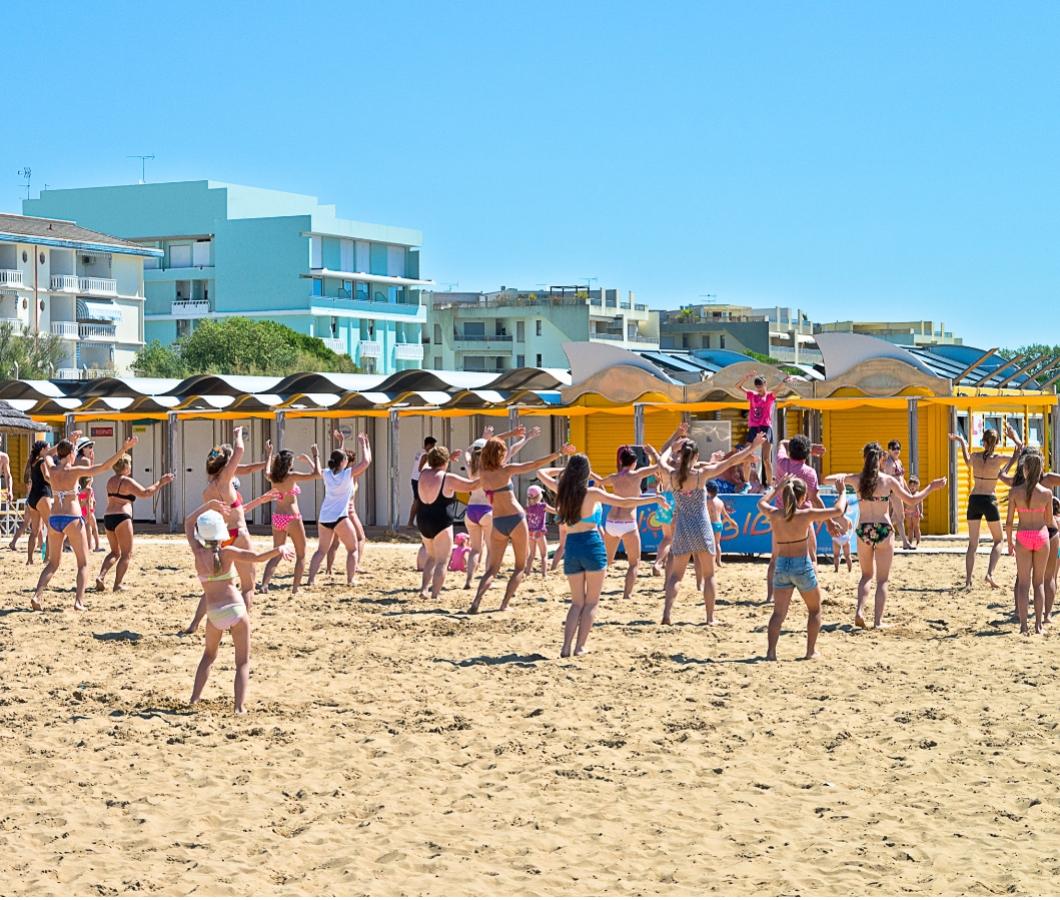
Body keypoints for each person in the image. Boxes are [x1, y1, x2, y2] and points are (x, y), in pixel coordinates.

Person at [538, 454, 666, 656]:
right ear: (586, 473)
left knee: (576, 603)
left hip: (572, 547)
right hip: (591, 544)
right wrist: (655, 498)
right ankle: (580, 647)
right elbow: (625, 502)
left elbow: (541, 472)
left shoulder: (562, 491)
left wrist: (564, 470)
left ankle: (565, 647)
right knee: (591, 603)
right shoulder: (592, 493)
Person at [185, 501, 293, 714]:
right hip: (235, 608)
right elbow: (257, 558)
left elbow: (188, 522)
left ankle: (194, 699)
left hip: (214, 613)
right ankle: (239, 707)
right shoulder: (227, 552)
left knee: (208, 656)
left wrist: (208, 505)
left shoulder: (198, 553)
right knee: (242, 661)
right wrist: (278, 549)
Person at [831, 442, 946, 629]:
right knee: (882, 580)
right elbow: (912, 500)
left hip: (864, 529)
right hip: (884, 529)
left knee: (866, 575)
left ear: (865, 459)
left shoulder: (857, 479)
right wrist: (931, 487)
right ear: (881, 459)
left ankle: (860, 611)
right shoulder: (888, 481)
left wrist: (842, 479)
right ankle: (878, 621)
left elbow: (830, 478)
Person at [658, 431, 767, 625]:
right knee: (709, 576)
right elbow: (730, 462)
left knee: (675, 576)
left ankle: (667, 614)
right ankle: (710, 618)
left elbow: (661, 459)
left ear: (681, 456)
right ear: (697, 457)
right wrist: (752, 447)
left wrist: (671, 448)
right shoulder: (701, 475)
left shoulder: (673, 475)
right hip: (701, 526)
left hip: (682, 527)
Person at [31, 432, 138, 612]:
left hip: (54, 518)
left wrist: (66, 442)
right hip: (72, 518)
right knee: (83, 563)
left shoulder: (52, 469)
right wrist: (123, 450)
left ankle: (37, 595)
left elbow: (48, 454)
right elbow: (104, 466)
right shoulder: (74, 471)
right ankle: (79, 602)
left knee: (53, 563)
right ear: (72, 454)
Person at [467, 437, 575, 614]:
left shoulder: (482, 473)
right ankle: (504, 604)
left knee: (492, 569)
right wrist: (559, 453)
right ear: (500, 454)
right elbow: (533, 464)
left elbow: (476, 457)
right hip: (516, 519)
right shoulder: (506, 470)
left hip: (498, 521)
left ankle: (476, 602)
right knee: (519, 566)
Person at [758, 477, 849, 660]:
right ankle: (810, 651)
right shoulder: (805, 515)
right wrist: (843, 492)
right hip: (802, 564)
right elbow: (838, 510)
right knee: (815, 610)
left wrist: (776, 488)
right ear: (802, 498)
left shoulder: (775, 515)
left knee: (778, 614)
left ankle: (771, 652)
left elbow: (761, 502)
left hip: (782, 565)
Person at [461, 425, 538, 589]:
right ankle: (488, 578)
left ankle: (468, 580)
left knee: (475, 549)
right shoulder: (495, 467)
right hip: (488, 510)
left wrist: (484, 437)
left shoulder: (472, 465)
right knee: (490, 548)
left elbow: (468, 450)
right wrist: (527, 437)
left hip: (471, 509)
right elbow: (512, 449)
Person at [948, 426, 1022, 589]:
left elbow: (967, 461)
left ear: (984, 441)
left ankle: (968, 581)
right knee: (998, 540)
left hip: (974, 499)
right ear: (996, 443)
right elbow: (1020, 453)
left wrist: (960, 440)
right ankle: (990, 573)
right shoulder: (998, 458)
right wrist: (1014, 439)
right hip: (989, 499)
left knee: (972, 544)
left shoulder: (975, 456)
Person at [94, 455, 174, 592]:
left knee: (114, 552)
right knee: (126, 554)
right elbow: (146, 493)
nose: (131, 466)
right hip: (122, 517)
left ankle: (101, 576)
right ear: (125, 466)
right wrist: (160, 482)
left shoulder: (110, 481)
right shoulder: (126, 481)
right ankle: (117, 584)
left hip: (108, 517)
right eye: (130, 464)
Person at [306, 434, 372, 586]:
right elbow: (366, 461)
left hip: (324, 517)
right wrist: (364, 445)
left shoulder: (327, 473)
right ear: (343, 462)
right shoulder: (347, 474)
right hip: (340, 517)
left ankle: (311, 580)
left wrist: (316, 456)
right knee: (353, 548)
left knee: (321, 550)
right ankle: (350, 579)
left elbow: (316, 470)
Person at [414, 445, 479, 599]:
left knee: (431, 557)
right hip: (441, 520)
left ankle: (424, 589)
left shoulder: (423, 474)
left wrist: (446, 458)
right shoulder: (448, 478)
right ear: (446, 461)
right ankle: (435, 594)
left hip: (423, 518)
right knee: (443, 560)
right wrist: (491, 477)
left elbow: (432, 464)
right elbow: (471, 485)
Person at [600, 444, 663, 598]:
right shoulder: (637, 474)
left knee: (606, 561)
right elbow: (661, 466)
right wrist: (653, 453)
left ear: (621, 461)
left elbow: (599, 483)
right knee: (634, 563)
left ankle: (594, 590)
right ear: (634, 462)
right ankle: (627, 595)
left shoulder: (613, 478)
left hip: (611, 521)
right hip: (628, 523)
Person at [259, 441, 320, 595]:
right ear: (288, 464)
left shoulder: (273, 477)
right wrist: (315, 455)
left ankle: (264, 584)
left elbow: (266, 470)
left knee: (276, 553)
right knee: (301, 554)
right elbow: (317, 474)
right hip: (292, 517)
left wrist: (268, 454)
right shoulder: (291, 476)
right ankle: (295, 588)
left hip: (278, 517)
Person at [1005, 450, 1052, 635]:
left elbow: (1009, 522)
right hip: (1041, 536)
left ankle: (1023, 625)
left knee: (1023, 583)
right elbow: (1048, 521)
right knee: (1038, 583)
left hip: (1023, 536)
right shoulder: (1047, 493)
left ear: (1024, 469)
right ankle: (1038, 625)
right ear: (1040, 470)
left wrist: (1009, 542)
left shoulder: (1015, 492)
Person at [735, 372, 793, 487]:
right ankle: (746, 484)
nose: (759, 388)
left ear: (765, 384)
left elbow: (778, 388)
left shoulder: (769, 396)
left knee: (766, 459)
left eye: (761, 385)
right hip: (753, 427)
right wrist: (745, 377)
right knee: (746, 457)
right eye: (757, 386)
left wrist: (786, 380)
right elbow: (737, 387)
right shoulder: (752, 395)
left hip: (765, 427)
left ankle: (770, 484)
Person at [18, 440, 51, 563]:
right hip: (43, 495)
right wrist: (56, 483)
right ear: (42, 449)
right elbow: (47, 477)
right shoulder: (42, 462)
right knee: (51, 528)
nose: (49, 450)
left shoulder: (32, 462)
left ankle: (30, 559)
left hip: (32, 497)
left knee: (34, 531)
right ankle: (46, 558)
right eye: (47, 448)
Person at [880, 440, 913, 549]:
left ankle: (882, 530)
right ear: (889, 450)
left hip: (900, 492)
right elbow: (887, 479)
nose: (896, 450)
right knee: (900, 517)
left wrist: (907, 490)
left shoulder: (898, 461)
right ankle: (904, 542)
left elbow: (902, 479)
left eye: (898, 448)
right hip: (894, 493)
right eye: (894, 448)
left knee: (896, 518)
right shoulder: (889, 463)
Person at [705, 480, 738, 567]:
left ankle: (711, 562)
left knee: (709, 545)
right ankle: (719, 561)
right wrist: (731, 522)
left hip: (711, 524)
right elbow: (725, 515)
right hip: (719, 524)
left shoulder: (708, 502)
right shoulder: (720, 502)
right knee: (717, 544)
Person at [407, 436, 437, 528]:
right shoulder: (425, 455)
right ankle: (410, 522)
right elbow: (421, 468)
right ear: (428, 445)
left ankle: (415, 522)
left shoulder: (420, 452)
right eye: (432, 446)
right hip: (418, 479)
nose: (433, 448)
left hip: (415, 478)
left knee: (420, 501)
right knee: (418, 501)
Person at [524, 484, 551, 578]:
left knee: (531, 554)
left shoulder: (527, 508)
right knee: (544, 555)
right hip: (539, 533)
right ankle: (544, 574)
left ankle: (527, 572)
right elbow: (554, 511)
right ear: (539, 496)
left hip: (530, 533)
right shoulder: (543, 506)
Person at [78, 475, 100, 552]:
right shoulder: (89, 490)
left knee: (87, 529)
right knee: (94, 528)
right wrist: (89, 514)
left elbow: (80, 503)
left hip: (82, 512)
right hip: (88, 511)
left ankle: (89, 546)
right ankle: (97, 546)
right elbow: (89, 502)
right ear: (89, 480)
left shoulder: (80, 491)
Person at [903, 475, 923, 548]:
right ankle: (910, 541)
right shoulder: (907, 494)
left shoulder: (918, 494)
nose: (912, 487)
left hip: (915, 513)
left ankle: (918, 542)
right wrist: (903, 511)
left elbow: (921, 504)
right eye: (910, 485)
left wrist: (921, 512)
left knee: (916, 527)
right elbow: (904, 503)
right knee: (909, 528)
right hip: (908, 512)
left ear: (917, 486)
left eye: (914, 486)